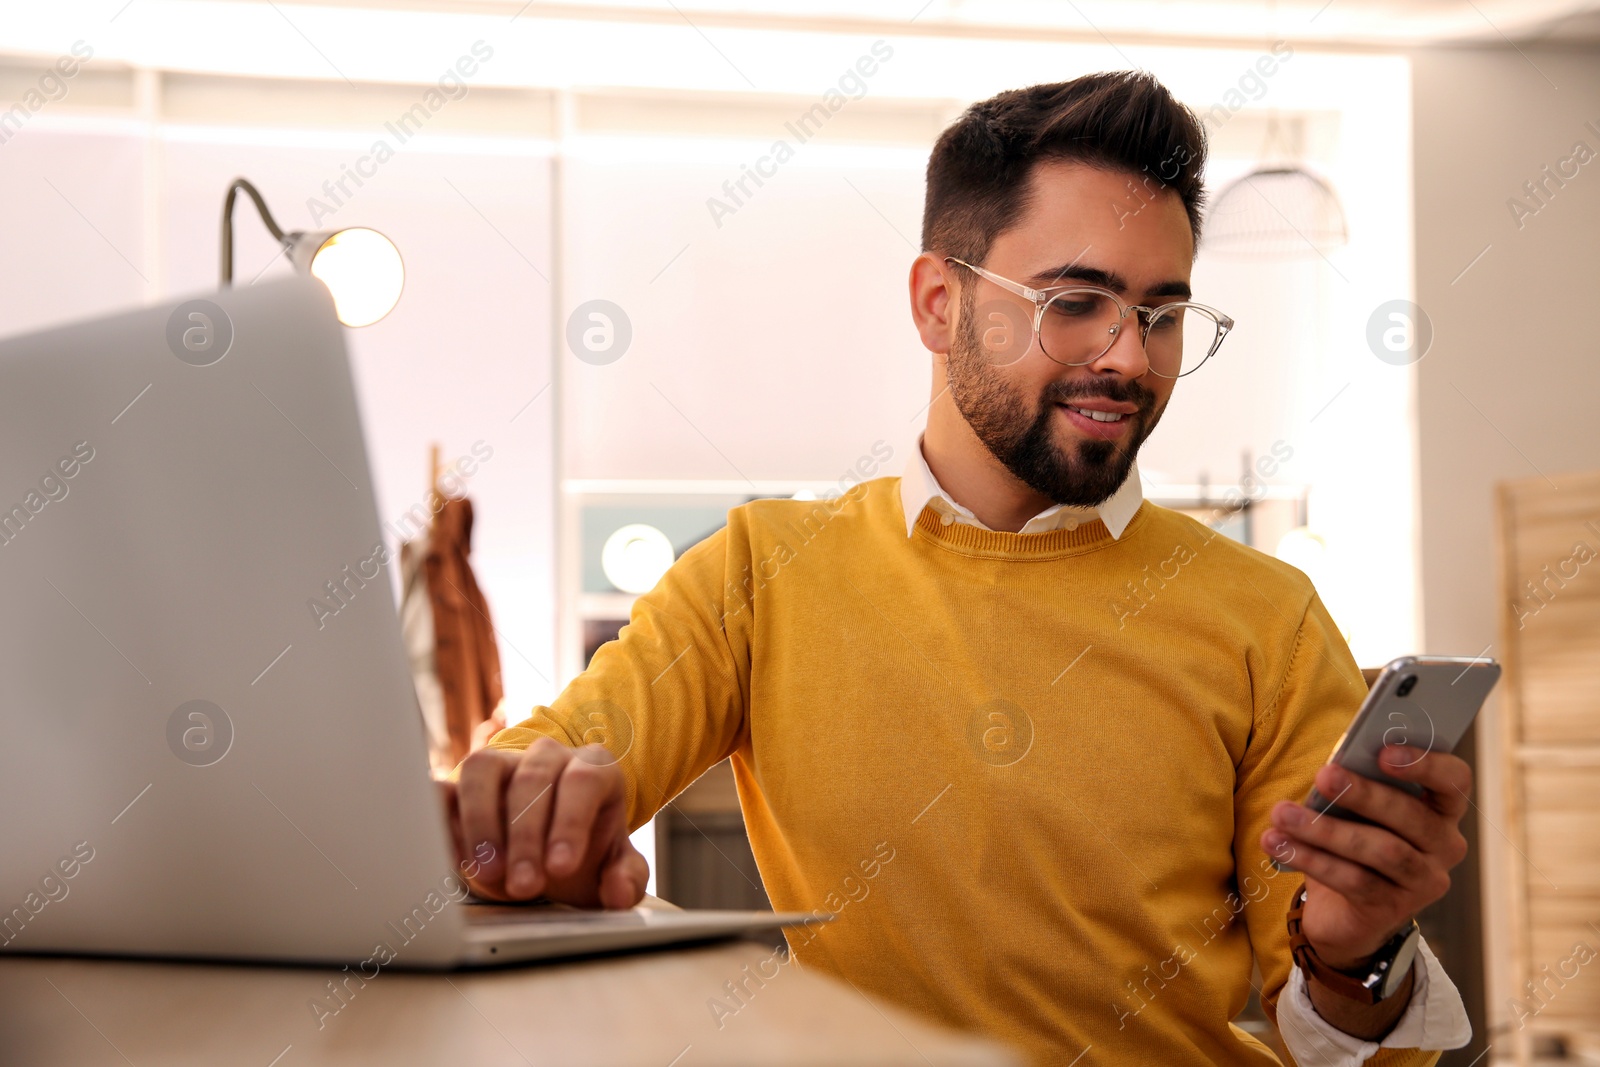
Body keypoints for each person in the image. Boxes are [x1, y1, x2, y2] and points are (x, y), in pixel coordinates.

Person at [440, 71, 1473, 1065]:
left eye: (1161, 315)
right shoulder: (761, 572)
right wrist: (527, 817)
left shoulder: (1268, 617)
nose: (1127, 357)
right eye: (1076, 301)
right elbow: (538, 779)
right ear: (938, 302)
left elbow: (1341, 1037)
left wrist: (1356, 949)